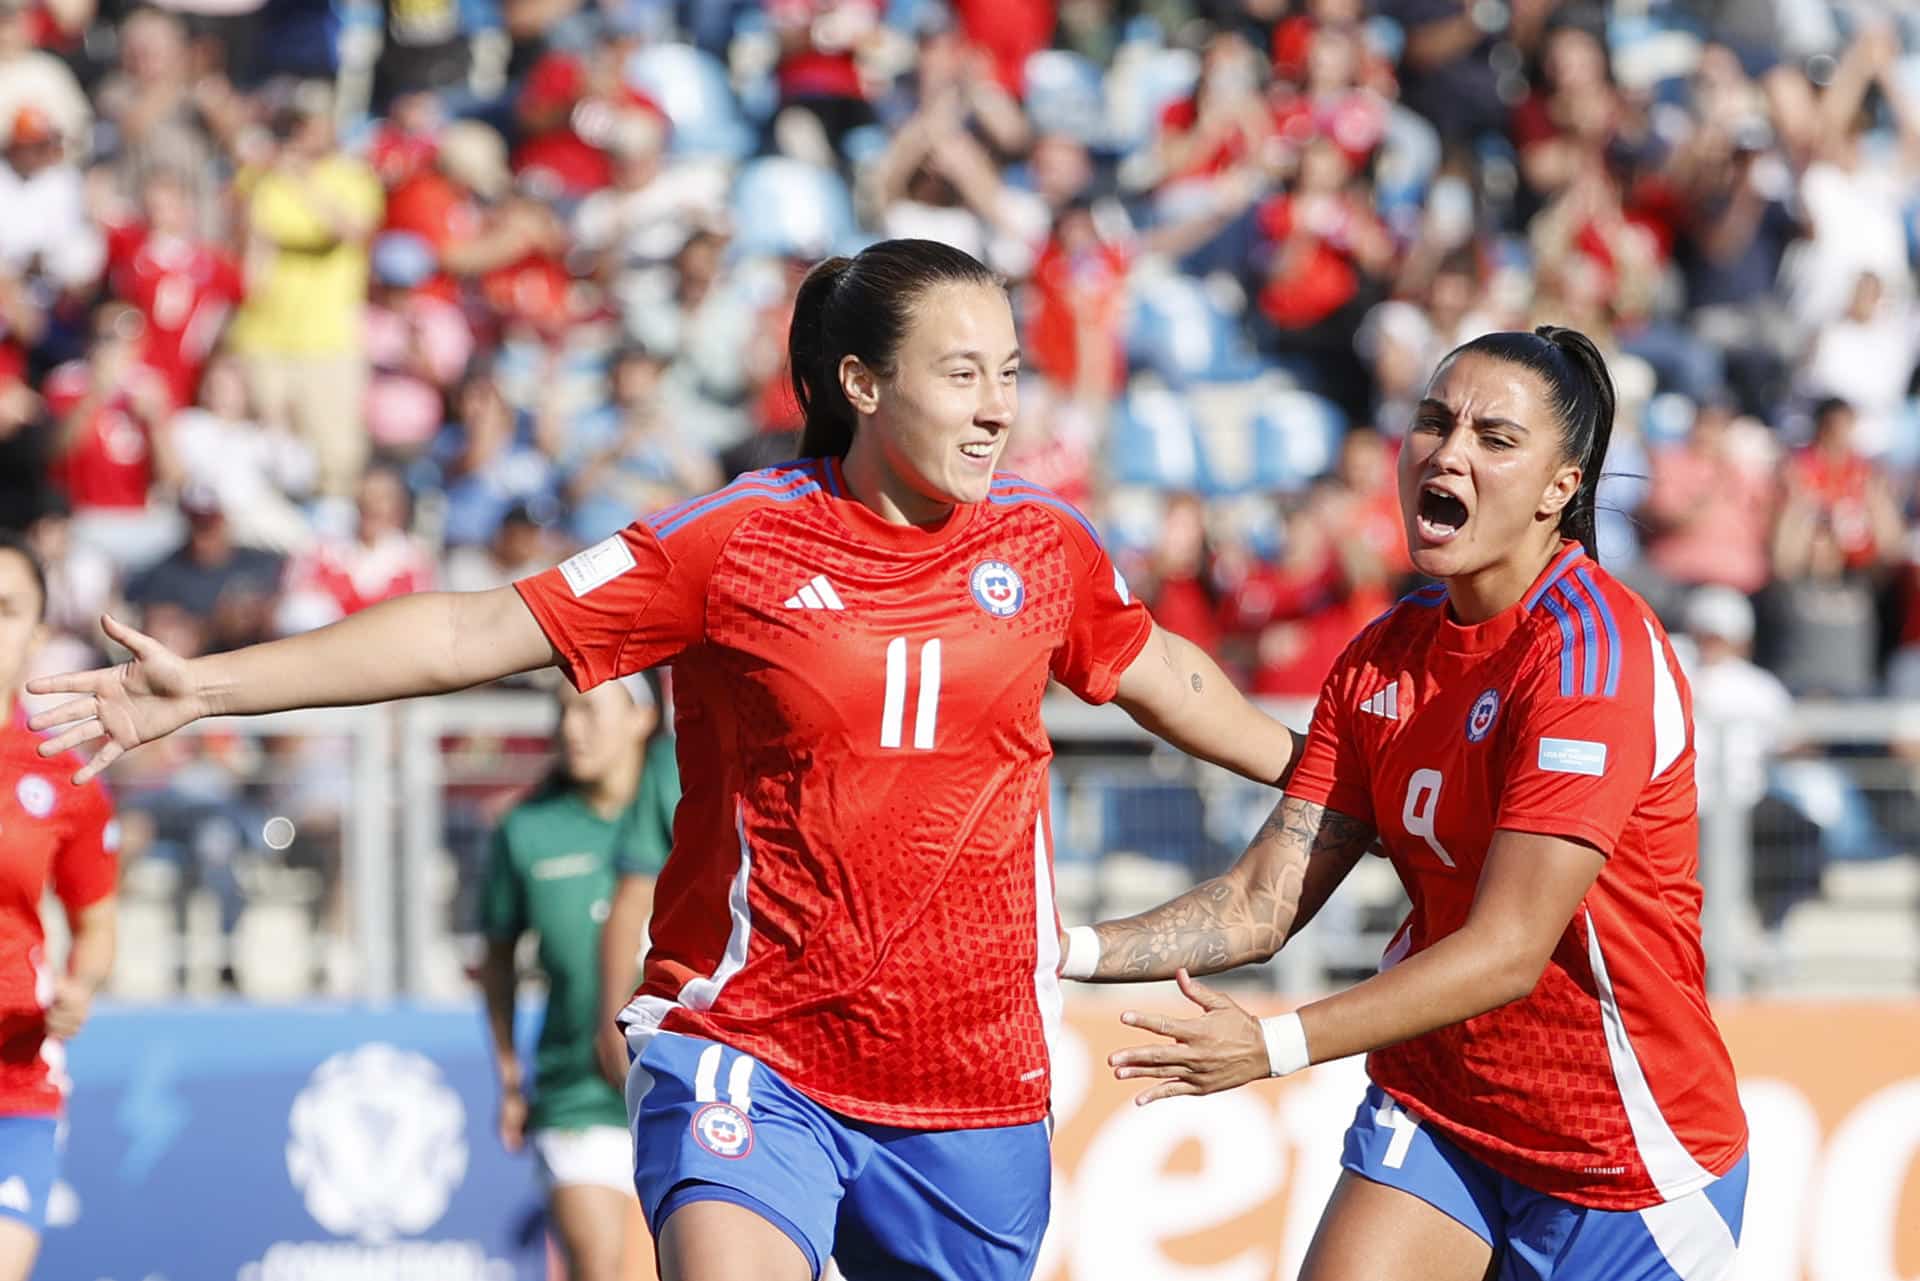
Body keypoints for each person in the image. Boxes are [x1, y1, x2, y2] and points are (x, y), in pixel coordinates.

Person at [26, 239, 1301, 1281]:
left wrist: (1320, 769)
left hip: (972, 1080)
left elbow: (1167, 676)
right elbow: (479, 626)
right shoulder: (732, 543)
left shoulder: (1049, 547)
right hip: (753, 1045)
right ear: (861, 382)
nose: (996, 407)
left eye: (1008, 373)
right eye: (961, 373)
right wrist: (211, 691)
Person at [1061, 328, 1750, 1281]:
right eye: (1433, 421)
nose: (1449, 450)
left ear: (1562, 488)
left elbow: (1509, 950)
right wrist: (1062, 949)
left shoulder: (1593, 657)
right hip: (1443, 1105)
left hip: (1621, 1151)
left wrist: (1273, 1043)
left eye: (1496, 438)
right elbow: (1262, 902)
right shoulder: (1387, 650)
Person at [478, 670, 676, 1281]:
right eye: (562, 711)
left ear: (643, 719)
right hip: (579, 1094)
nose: (571, 728)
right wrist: (511, 1075)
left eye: (589, 710)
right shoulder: (526, 827)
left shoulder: (688, 805)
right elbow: (496, 960)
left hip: (681, 1088)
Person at [0, 532, 119, 1281]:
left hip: (14, 1078)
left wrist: (80, 985)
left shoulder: (60, 775)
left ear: (39, 633)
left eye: (6, 608)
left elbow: (98, 922)